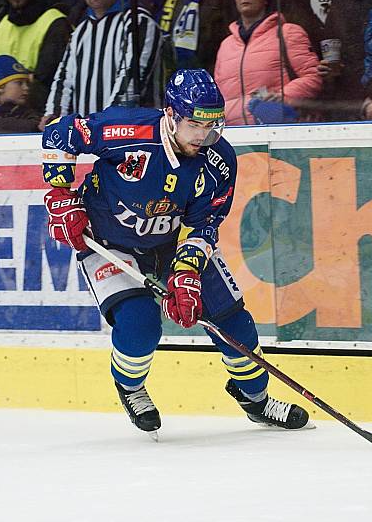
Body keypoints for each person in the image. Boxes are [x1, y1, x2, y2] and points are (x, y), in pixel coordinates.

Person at [40, 69, 311, 435]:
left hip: (171, 244)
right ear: (171, 115)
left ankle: (256, 400)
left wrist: (185, 274)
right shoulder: (128, 129)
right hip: (109, 245)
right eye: (194, 125)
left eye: (213, 125)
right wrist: (60, 195)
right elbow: (60, 131)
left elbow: (204, 227)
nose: (203, 135)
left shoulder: (219, 161)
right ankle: (131, 386)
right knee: (139, 326)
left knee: (234, 324)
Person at [42, 0, 162, 127]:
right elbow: (64, 80)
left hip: (134, 134)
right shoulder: (80, 31)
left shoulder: (139, 23)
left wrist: (100, 126)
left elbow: (129, 84)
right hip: (89, 135)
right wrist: (54, 117)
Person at [213, 0, 321, 125]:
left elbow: (313, 77)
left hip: (276, 130)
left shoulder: (287, 33)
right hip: (234, 135)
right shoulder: (226, 45)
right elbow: (217, 95)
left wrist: (284, 96)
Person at [0, 0, 71, 112]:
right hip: (3, 117)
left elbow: (52, 84)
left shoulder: (56, 24)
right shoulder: (0, 26)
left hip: (42, 116)